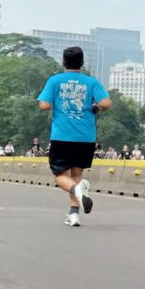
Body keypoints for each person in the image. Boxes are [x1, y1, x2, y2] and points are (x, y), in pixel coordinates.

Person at [37, 46, 111, 227]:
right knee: (77, 175)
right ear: (82, 63)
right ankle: (74, 214)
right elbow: (106, 103)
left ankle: (76, 192)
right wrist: (95, 108)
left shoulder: (55, 81)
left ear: (63, 62)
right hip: (86, 138)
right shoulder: (90, 82)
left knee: (60, 176)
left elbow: (44, 105)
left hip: (62, 136)